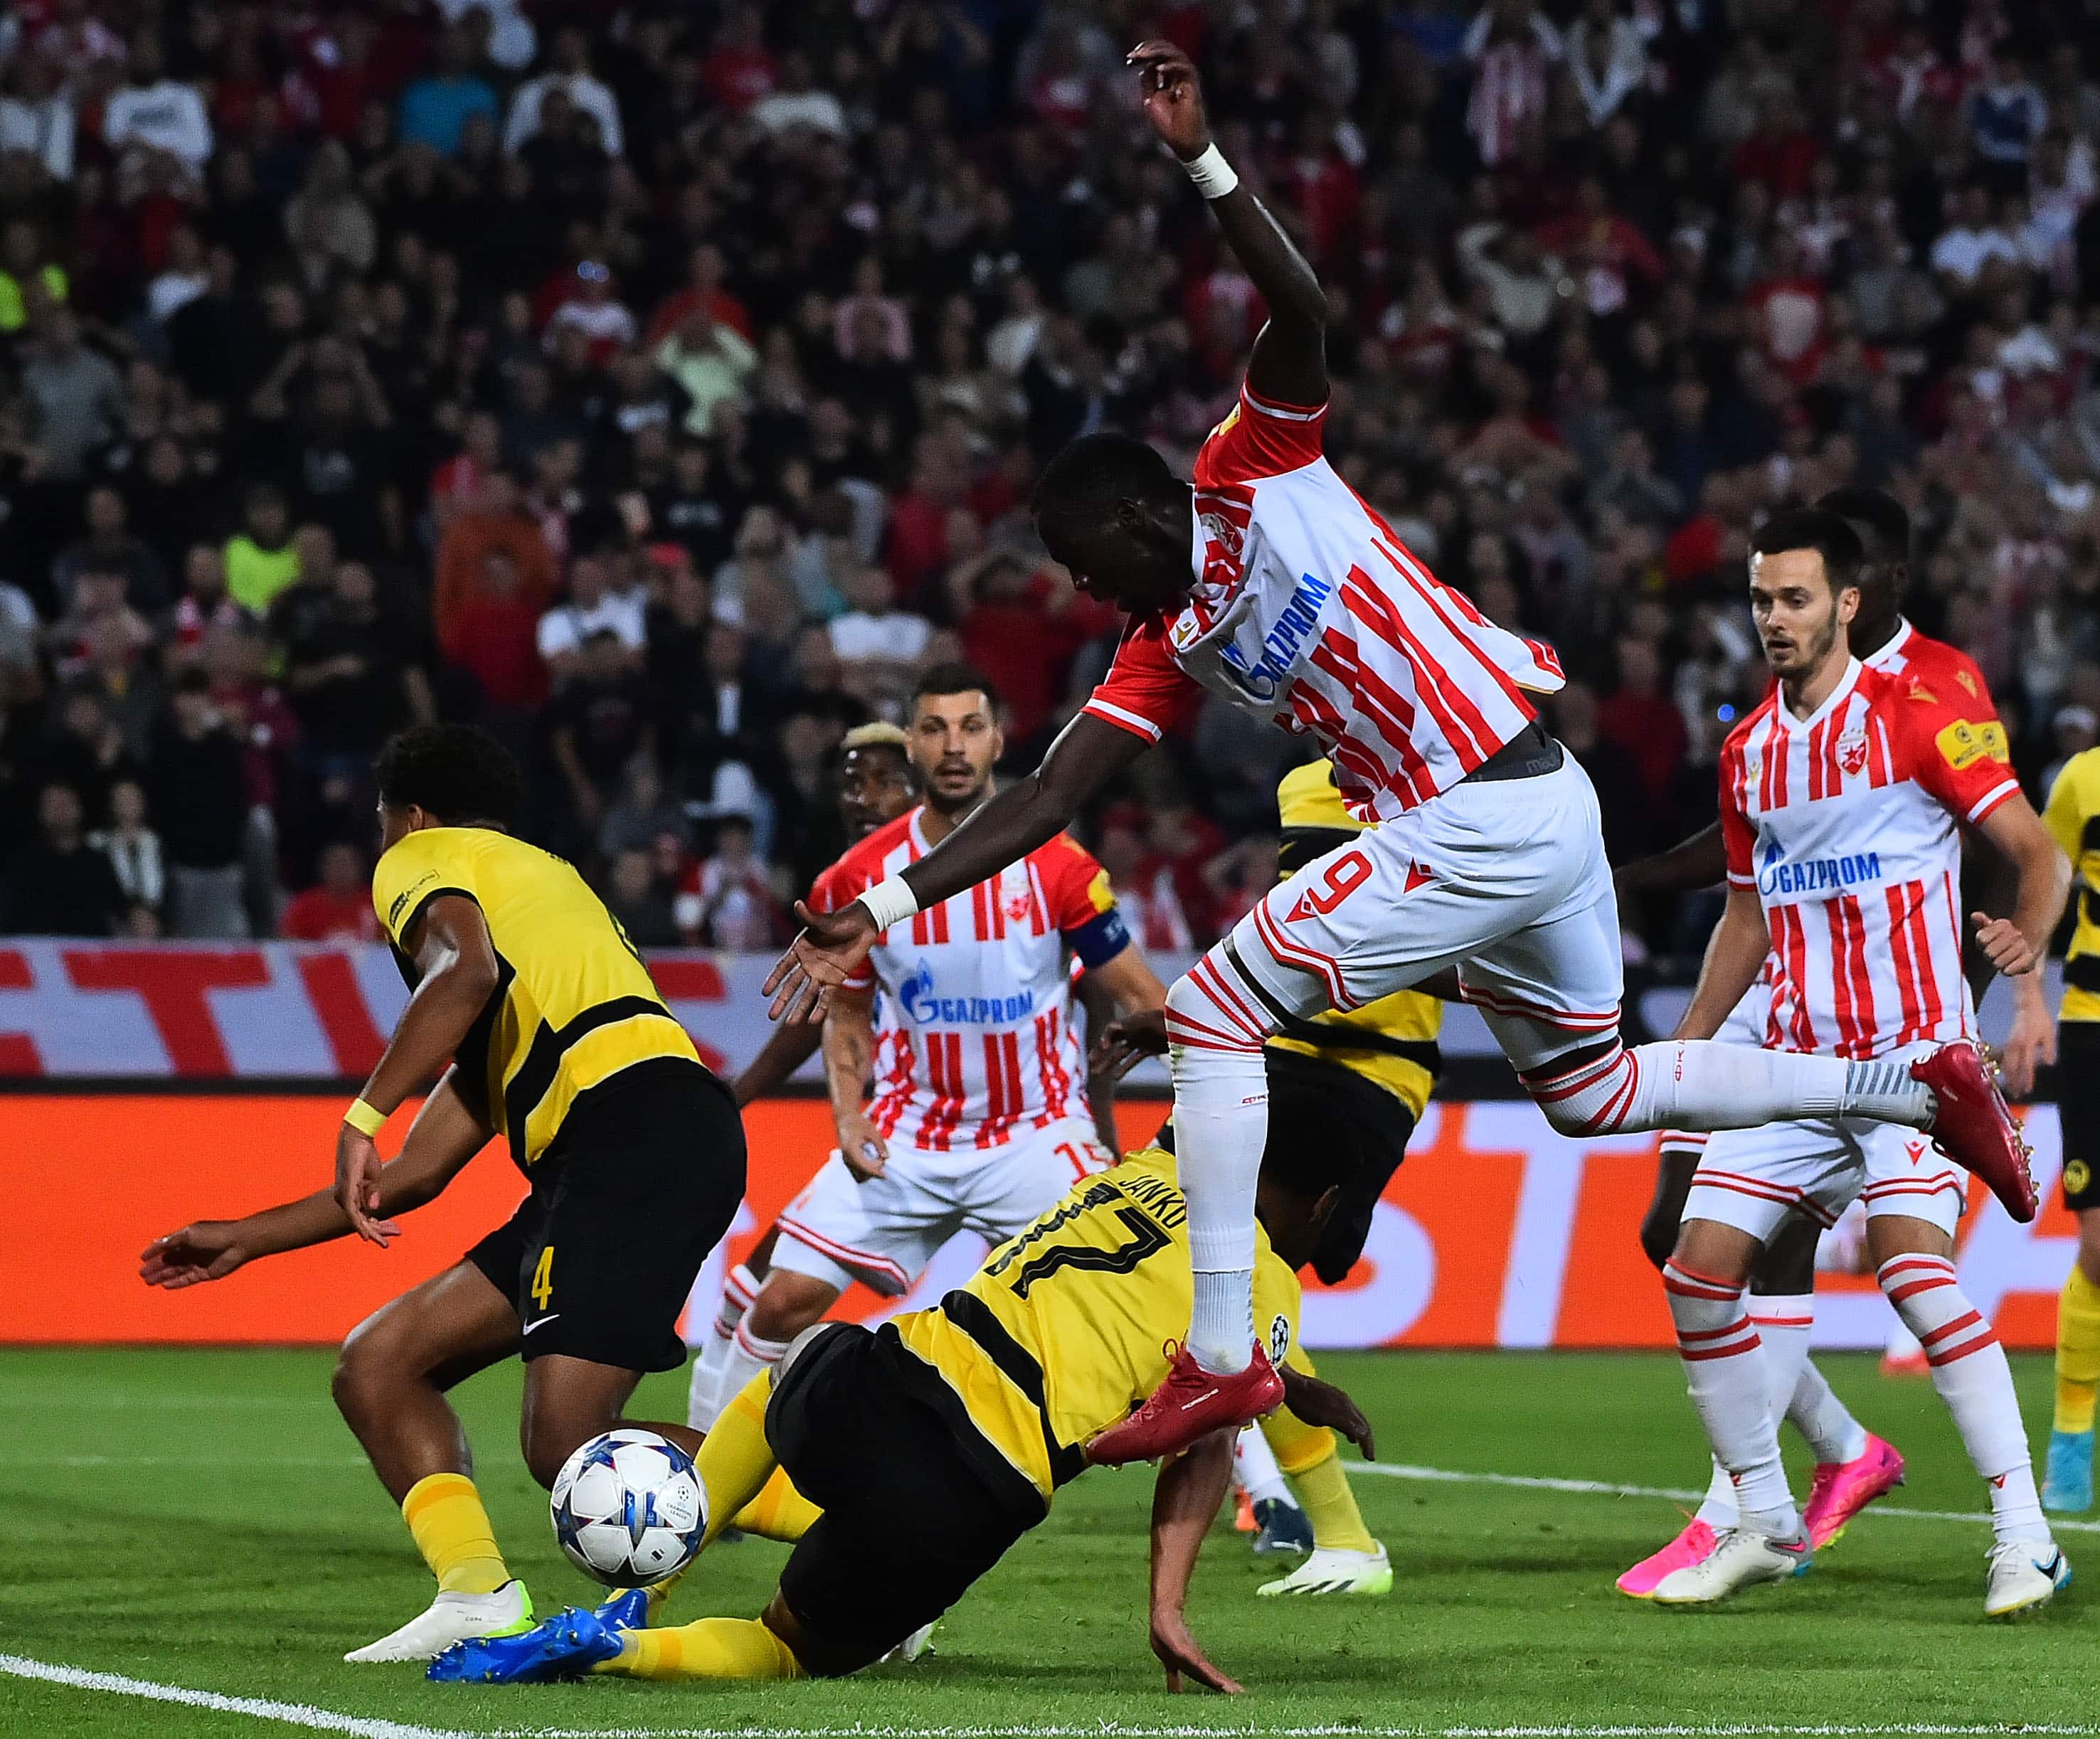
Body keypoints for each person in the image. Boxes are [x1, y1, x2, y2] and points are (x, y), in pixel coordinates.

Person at [763, 41, 2039, 1470]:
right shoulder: (1163, 642)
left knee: (1210, 1019)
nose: (1074, 588)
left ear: (1131, 515)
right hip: (1531, 806)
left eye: (1076, 558)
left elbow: (1300, 305)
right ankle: (1922, 1084)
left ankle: (1223, 1355)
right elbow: (1054, 794)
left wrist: (1203, 162)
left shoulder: (1253, 465)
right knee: (1597, 1095)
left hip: (1492, 813)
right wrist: (871, 908)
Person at [429, 1060, 1377, 1689]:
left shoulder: (1137, 1173)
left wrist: (1295, 1381)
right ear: (1324, 1201)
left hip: (889, 1371)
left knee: (776, 1384)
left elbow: (1152, 1296)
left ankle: (643, 1583)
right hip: (971, 1485)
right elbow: (1206, 1434)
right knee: (783, 1647)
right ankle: (622, 1648)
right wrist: (1167, 1607)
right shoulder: (1258, 1280)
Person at [139, 724, 745, 1662]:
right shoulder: (539, 888)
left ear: (408, 816)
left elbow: (460, 972)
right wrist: (248, 1237)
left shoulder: (424, 860)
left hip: (633, 1133)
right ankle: (474, 1594)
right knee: (380, 1365)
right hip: (625, 1140)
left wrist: (362, 1114)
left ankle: (858, 1508)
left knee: (567, 1445)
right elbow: (416, 1176)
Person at [1639, 510, 2071, 1615]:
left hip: (1914, 1069)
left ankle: (2025, 1533)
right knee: (1694, 1271)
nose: (1774, 620)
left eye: (1795, 599)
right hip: (1795, 1064)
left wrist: (2025, 942)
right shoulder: (1749, 752)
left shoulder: (1917, 711)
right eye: (1760, 600)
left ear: (1846, 603)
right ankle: (1765, 1517)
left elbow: (2036, 851)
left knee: (1913, 1272)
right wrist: (1693, 1040)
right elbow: (1744, 914)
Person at [714, 664, 1167, 1422]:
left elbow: (1138, 994)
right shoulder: (855, 879)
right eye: (934, 729)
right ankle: (700, 1484)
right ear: (912, 749)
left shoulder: (1059, 866)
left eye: (970, 727)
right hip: (908, 1135)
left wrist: (1179, 1048)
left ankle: (1264, 1489)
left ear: (998, 740)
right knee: (779, 1304)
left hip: (1036, 1135)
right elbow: (849, 1015)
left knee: (1144, 1301)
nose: (954, 746)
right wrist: (848, 1118)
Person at [686, 721, 920, 1430]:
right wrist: (737, 1097)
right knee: (751, 1293)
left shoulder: (966, 870)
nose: (864, 794)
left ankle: (1259, 1473)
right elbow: (818, 1014)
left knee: (1117, 1291)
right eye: (852, 779)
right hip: (891, 1120)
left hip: (980, 1123)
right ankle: (705, 1468)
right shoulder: (844, 883)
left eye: (883, 778)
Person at [2040, 742, 2100, 1513]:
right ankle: (2073, 1441)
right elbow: (2041, 883)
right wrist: (2025, 1000)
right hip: (2094, 1025)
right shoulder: (2084, 779)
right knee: (2099, 1249)